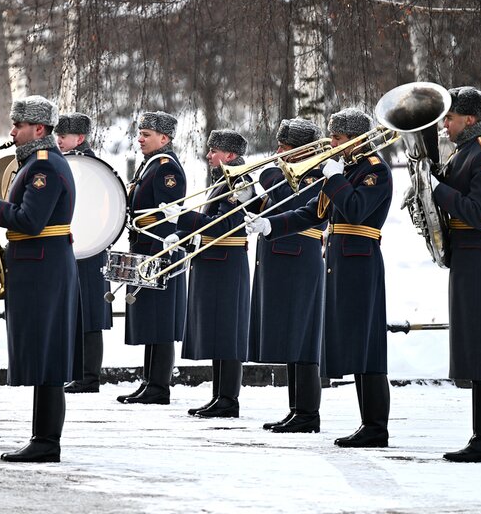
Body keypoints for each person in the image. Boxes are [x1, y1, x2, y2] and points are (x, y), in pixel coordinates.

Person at [245, 108, 392, 447]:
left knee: (369, 347)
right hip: (340, 261)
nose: (333, 144)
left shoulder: (375, 170)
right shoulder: (346, 169)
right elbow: (313, 213)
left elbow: (355, 209)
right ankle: (368, 424)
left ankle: (376, 427)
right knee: (356, 345)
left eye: (338, 139)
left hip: (363, 261)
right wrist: (272, 226)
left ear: (355, 139)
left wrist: (336, 178)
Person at [0, 95, 78, 462]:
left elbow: (31, 221)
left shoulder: (44, 165)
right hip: (36, 265)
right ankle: (41, 437)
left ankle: (47, 441)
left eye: (19, 126)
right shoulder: (34, 162)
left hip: (43, 267)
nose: (12, 131)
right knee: (40, 350)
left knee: (47, 353)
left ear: (40, 129)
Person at [430, 87, 481, 463]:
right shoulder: (467, 152)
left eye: (450, 117)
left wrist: (438, 189)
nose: (445, 123)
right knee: (475, 347)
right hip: (470, 258)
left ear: (470, 119)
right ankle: (480, 436)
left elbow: (477, 214)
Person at [162, 130, 252, 417]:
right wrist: (182, 236)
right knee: (217, 330)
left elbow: (223, 226)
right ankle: (219, 395)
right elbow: (209, 226)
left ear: (229, 155)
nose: (209, 155)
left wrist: (183, 218)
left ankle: (228, 399)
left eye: (214, 151)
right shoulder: (223, 180)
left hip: (227, 263)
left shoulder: (242, 182)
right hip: (214, 261)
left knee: (227, 331)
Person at [246, 119, 326, 433]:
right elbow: (271, 206)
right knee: (292, 338)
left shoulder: (317, 177)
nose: (278, 152)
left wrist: (269, 177)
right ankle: (296, 409)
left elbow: (293, 204)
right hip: (283, 258)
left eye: (285, 147)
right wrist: (249, 199)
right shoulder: (288, 175)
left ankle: (308, 413)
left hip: (301, 258)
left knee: (303, 338)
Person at [118, 111, 187, 405]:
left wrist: (165, 245)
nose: (140, 139)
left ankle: (159, 386)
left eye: (147, 134)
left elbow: (170, 213)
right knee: (150, 318)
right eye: (140, 133)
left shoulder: (165, 168)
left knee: (160, 319)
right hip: (144, 246)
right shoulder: (150, 166)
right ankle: (150, 381)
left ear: (164, 138)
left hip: (159, 250)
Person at [55, 112, 113, 393]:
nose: (58, 141)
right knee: (77, 313)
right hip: (76, 246)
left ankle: (89, 377)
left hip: (90, 248)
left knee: (89, 314)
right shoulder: (72, 164)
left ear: (79, 138)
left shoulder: (90, 167)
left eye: (63, 137)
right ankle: (79, 373)